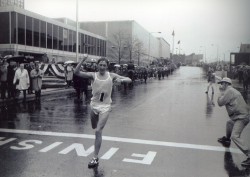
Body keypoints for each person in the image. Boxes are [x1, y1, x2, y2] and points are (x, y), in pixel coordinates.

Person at [74, 56, 132, 168]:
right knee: (93, 126)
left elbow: (129, 80)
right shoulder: (93, 75)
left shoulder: (111, 76)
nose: (102, 67)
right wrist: (82, 60)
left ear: (107, 66)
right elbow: (76, 72)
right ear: (97, 65)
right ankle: (96, 132)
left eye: (104, 65)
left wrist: (122, 80)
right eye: (100, 65)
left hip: (105, 107)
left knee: (98, 131)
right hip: (94, 105)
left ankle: (95, 158)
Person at [217, 77, 250, 166]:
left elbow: (220, 103)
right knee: (229, 123)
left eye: (222, 83)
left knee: (235, 136)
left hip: (242, 117)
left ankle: (249, 155)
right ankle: (227, 139)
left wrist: (220, 95)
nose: (221, 85)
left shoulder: (229, 91)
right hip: (239, 115)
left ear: (227, 84)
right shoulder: (231, 90)